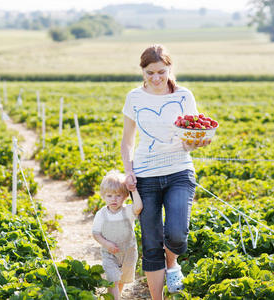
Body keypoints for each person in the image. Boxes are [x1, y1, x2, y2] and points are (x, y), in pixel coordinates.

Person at [121, 44, 210, 299]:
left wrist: (196, 142)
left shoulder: (184, 96)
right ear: (142, 72)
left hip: (179, 172)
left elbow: (189, 138)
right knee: (150, 244)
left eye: (161, 72)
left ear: (169, 69)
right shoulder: (134, 98)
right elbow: (127, 141)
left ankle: (172, 262)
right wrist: (129, 173)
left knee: (177, 234)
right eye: (150, 73)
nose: (156, 78)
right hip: (145, 176)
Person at [92, 170, 143, 300]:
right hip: (110, 252)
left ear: (126, 196)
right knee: (112, 278)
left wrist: (134, 189)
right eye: (109, 196)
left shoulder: (127, 211)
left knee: (121, 280)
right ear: (103, 196)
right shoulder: (102, 214)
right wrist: (106, 244)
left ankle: (116, 296)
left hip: (128, 252)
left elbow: (138, 207)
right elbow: (96, 233)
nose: (113, 199)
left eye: (118, 195)